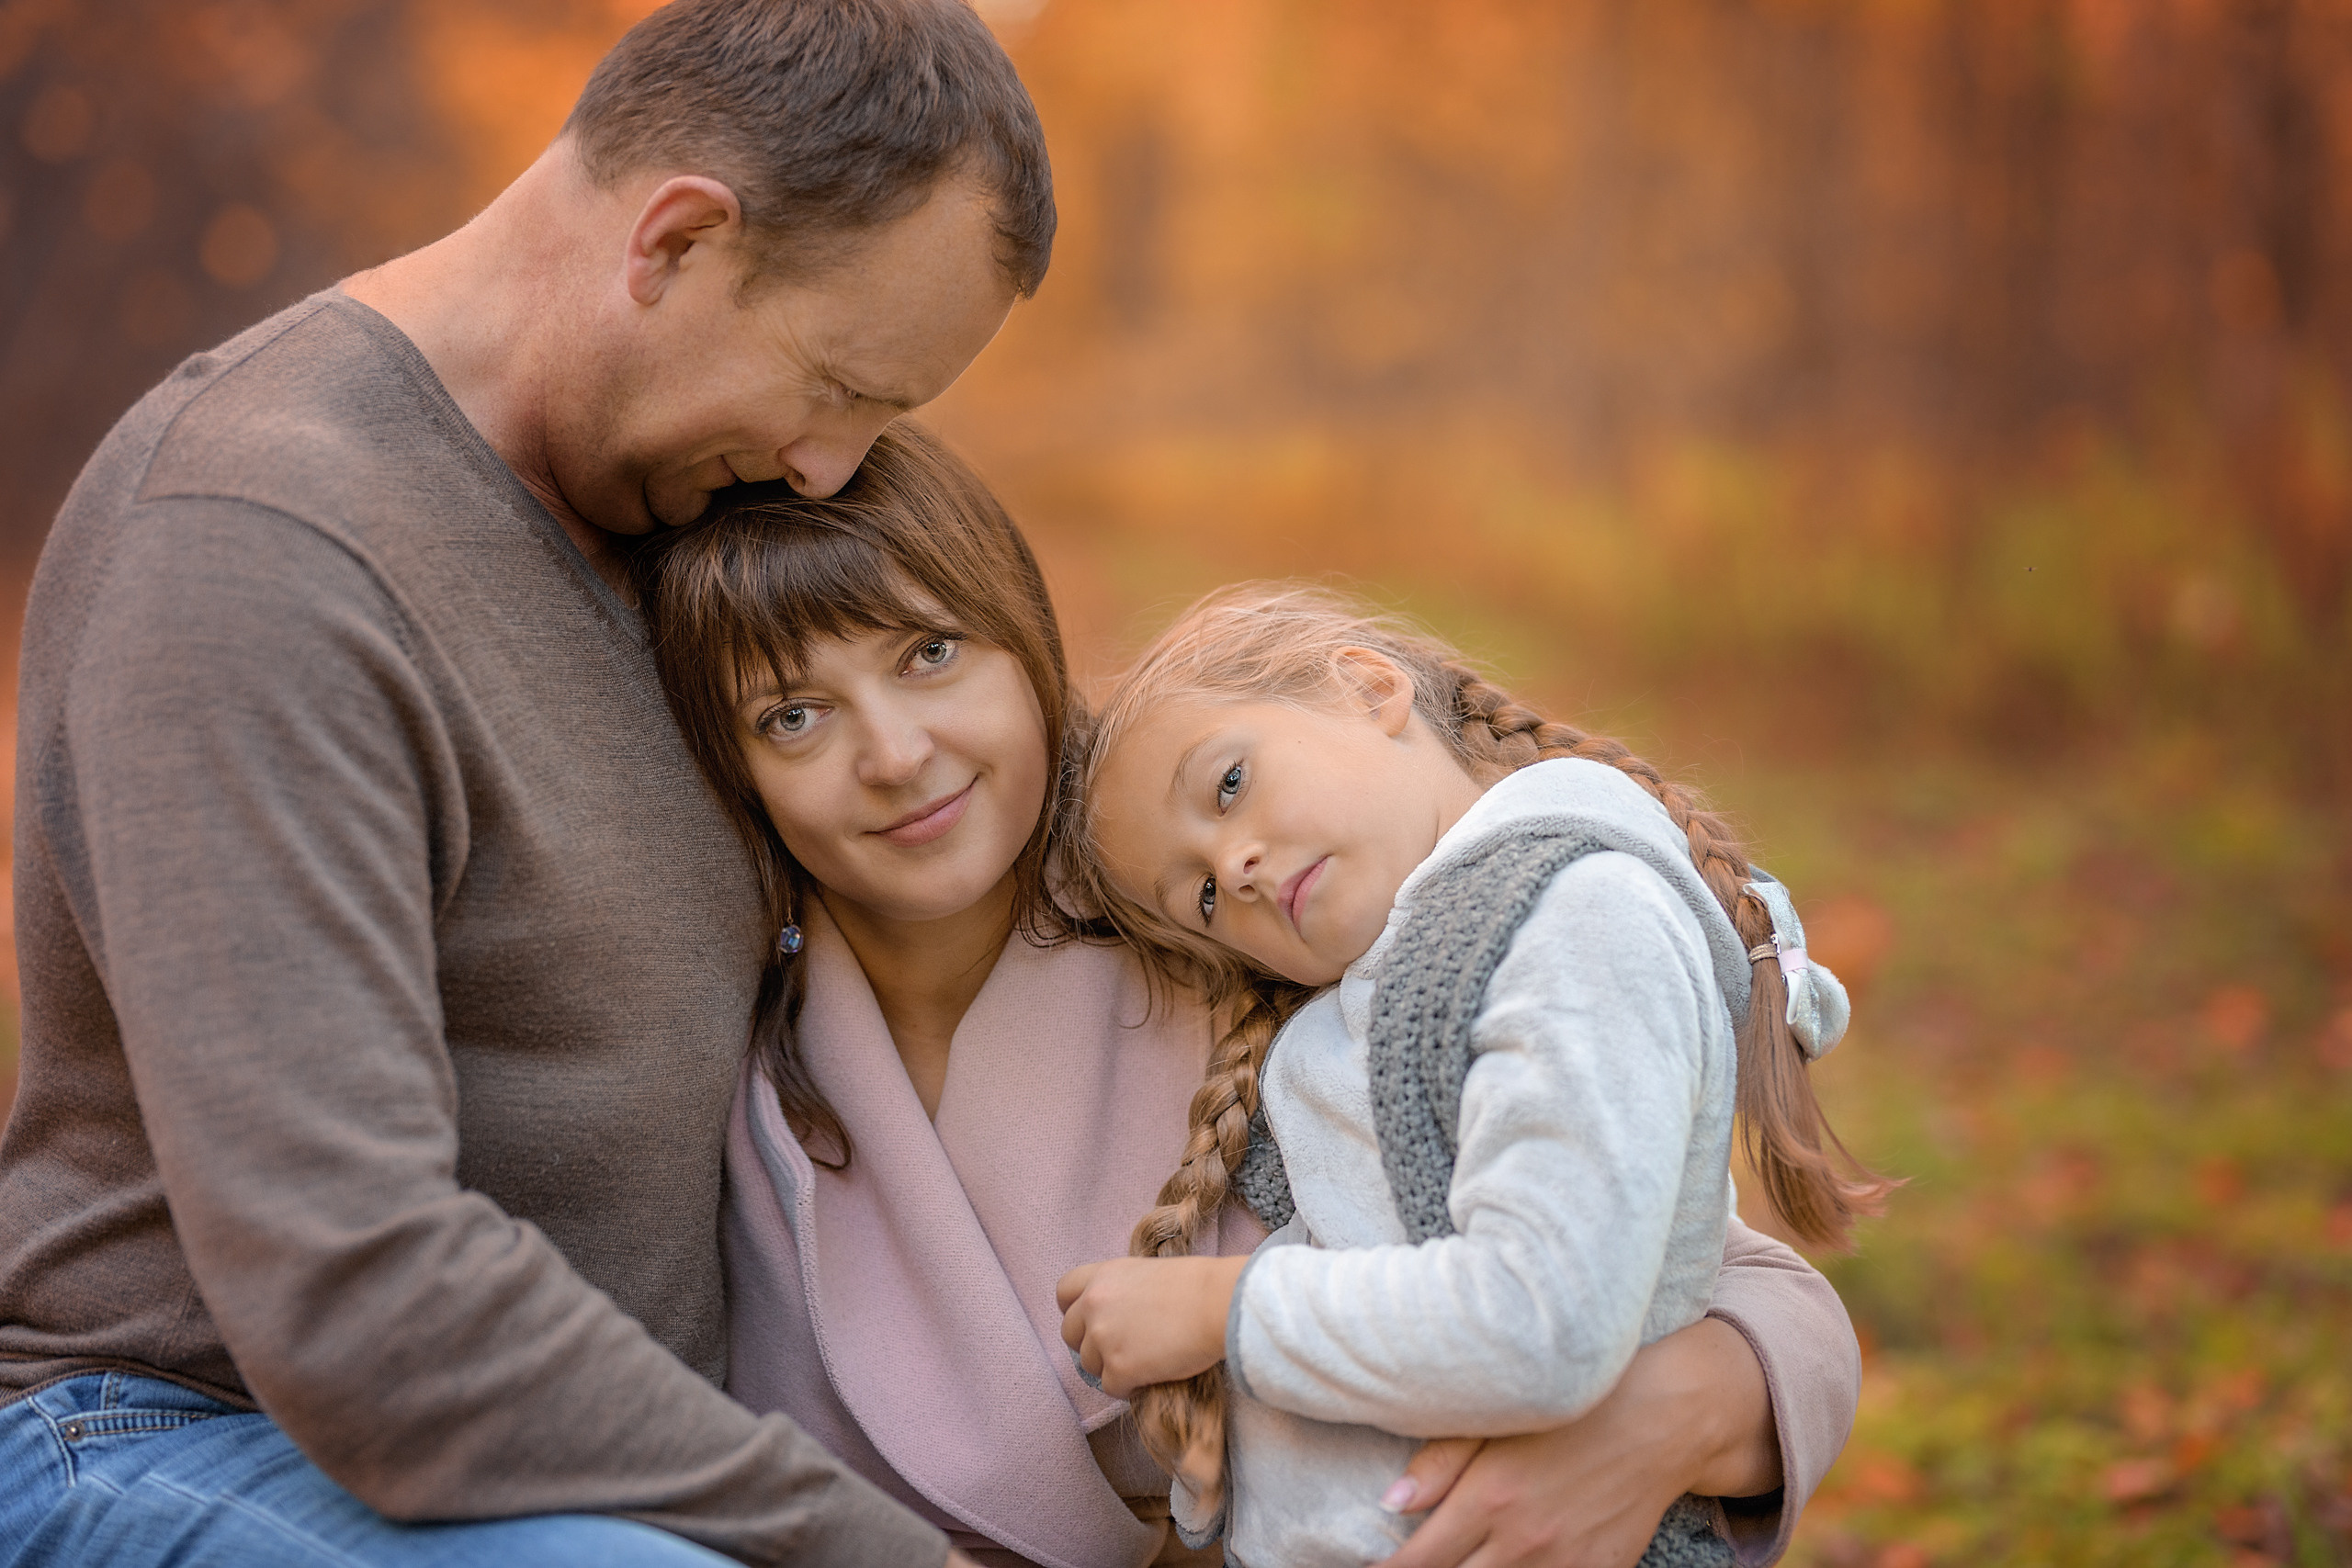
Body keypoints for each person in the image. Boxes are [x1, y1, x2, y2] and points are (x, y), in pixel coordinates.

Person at [0, 3, 1049, 1564]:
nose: (833, 470)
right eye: (836, 388)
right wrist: (868, 1545)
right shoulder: (260, 547)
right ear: (678, 240)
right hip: (188, 1435)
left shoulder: (680, 515)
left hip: (596, 1474)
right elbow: (357, 1309)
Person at [637, 427, 1865, 1568]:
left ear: (1022, 639)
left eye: (931, 652)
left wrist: (1666, 1419)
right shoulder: (720, 1029)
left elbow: (1712, 1269)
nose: (896, 752)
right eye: (792, 714)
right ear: (734, 769)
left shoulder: (1236, 913)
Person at [1056, 586, 1895, 1567]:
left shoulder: (1573, 923)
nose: (1232, 866)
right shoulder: (1380, 988)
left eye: (1230, 785)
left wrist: (1217, 1313)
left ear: (1368, 688)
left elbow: (1544, 1317)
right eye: (1199, 893)